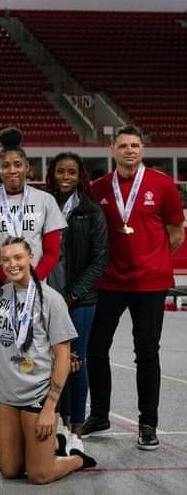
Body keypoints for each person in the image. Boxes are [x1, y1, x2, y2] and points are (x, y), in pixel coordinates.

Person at [82, 125, 185, 449]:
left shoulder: (163, 185)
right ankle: (99, 414)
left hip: (149, 283)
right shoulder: (98, 187)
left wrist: (152, 260)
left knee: (147, 352)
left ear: (142, 150)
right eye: (123, 145)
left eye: (135, 145)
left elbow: (176, 233)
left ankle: (148, 423)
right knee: (96, 348)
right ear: (112, 150)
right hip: (109, 281)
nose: (130, 150)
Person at [0, 237, 96, 484]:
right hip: (7, 397)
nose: (12, 264)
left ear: (31, 258)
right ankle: (54, 443)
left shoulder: (51, 299)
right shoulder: (2, 295)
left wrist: (50, 407)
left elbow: (63, 355)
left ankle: (76, 458)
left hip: (37, 396)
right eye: (6, 260)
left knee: (40, 474)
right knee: (9, 470)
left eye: (18, 257)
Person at [45, 152, 107, 438]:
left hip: (80, 300)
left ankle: (76, 428)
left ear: (80, 175)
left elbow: (99, 260)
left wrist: (72, 295)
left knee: (75, 361)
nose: (66, 177)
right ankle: (61, 421)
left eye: (71, 172)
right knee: (52, 362)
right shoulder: (44, 205)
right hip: (49, 295)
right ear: (52, 174)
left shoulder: (91, 211)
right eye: (60, 171)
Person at [0, 128, 66, 284]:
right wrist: (2, 276)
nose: (12, 170)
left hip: (35, 284)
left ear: (27, 167)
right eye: (5, 165)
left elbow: (52, 252)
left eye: (17, 164)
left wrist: (32, 279)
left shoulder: (45, 200)